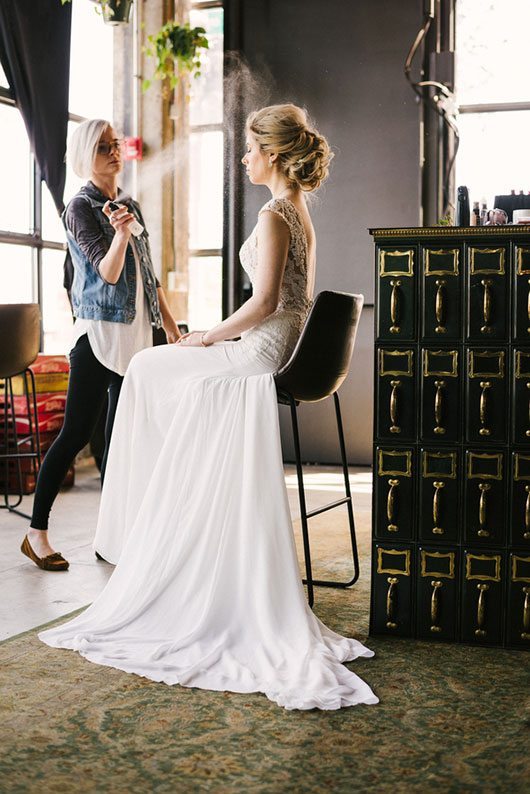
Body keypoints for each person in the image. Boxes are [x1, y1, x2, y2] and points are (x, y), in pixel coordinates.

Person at [40, 104, 378, 710]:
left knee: (147, 366)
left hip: (262, 350)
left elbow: (268, 301)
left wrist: (206, 336)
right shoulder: (296, 209)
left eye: (249, 150)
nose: (243, 158)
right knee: (152, 369)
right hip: (277, 346)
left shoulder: (276, 214)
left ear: (272, 156)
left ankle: (158, 515)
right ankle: (168, 504)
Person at [21, 119, 180, 572]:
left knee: (121, 441)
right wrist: (122, 234)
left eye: (116, 145)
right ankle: (36, 534)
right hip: (96, 338)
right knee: (75, 435)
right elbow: (108, 273)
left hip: (135, 337)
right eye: (104, 147)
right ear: (85, 155)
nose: (115, 152)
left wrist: (168, 325)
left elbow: (148, 277)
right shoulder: (80, 207)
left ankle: (115, 536)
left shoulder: (128, 205)